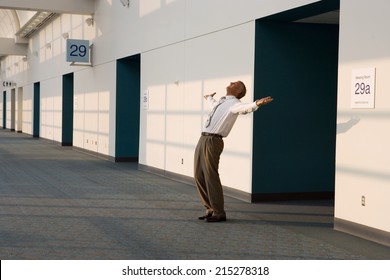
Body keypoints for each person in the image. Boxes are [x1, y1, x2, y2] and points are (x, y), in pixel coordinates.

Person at [194, 81, 273, 222]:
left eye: (235, 83)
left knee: (211, 176)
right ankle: (210, 208)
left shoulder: (235, 103)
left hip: (213, 141)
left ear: (238, 91)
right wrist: (208, 98)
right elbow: (214, 106)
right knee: (198, 175)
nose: (231, 83)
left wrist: (256, 103)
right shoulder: (222, 102)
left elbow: (244, 108)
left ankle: (219, 213)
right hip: (203, 138)